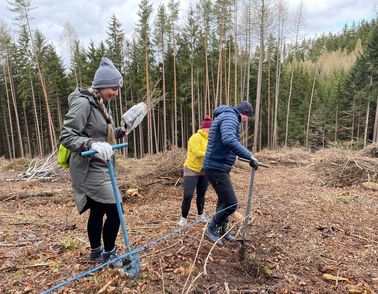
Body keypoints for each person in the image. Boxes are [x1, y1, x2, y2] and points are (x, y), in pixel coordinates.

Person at [59, 57, 145, 267]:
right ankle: (109, 254)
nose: (116, 93)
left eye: (117, 89)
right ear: (102, 85)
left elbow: (102, 136)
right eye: (113, 88)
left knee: (98, 211)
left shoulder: (101, 105)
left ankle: (96, 252)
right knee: (116, 211)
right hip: (89, 169)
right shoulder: (83, 103)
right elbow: (67, 136)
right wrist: (91, 145)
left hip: (102, 167)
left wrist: (122, 130)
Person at [203, 101, 259, 245]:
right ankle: (211, 229)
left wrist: (247, 158)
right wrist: (250, 155)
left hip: (218, 166)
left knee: (223, 200)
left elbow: (226, 143)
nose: (246, 120)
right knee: (231, 203)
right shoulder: (230, 117)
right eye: (247, 117)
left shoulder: (227, 116)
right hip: (216, 167)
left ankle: (222, 231)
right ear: (243, 113)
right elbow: (228, 140)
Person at [178, 116, 213, 226]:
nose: (210, 130)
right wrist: (210, 153)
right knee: (188, 195)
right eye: (209, 128)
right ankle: (183, 218)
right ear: (204, 128)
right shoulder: (195, 137)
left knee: (201, 194)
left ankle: (200, 215)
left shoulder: (212, 138)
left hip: (204, 169)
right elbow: (198, 153)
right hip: (191, 169)